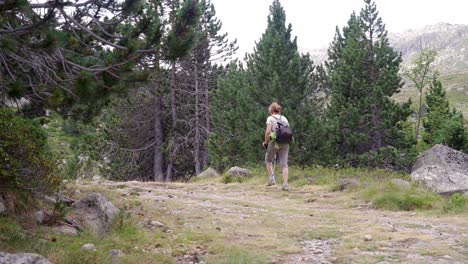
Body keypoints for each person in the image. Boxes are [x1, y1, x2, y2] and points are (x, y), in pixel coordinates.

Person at [263, 102, 290, 191]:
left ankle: (271, 179)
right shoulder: (284, 118)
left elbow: (268, 132)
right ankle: (285, 184)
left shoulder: (270, 118)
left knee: (268, 160)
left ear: (271, 110)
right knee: (284, 164)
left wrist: (266, 143)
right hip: (285, 142)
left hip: (274, 142)